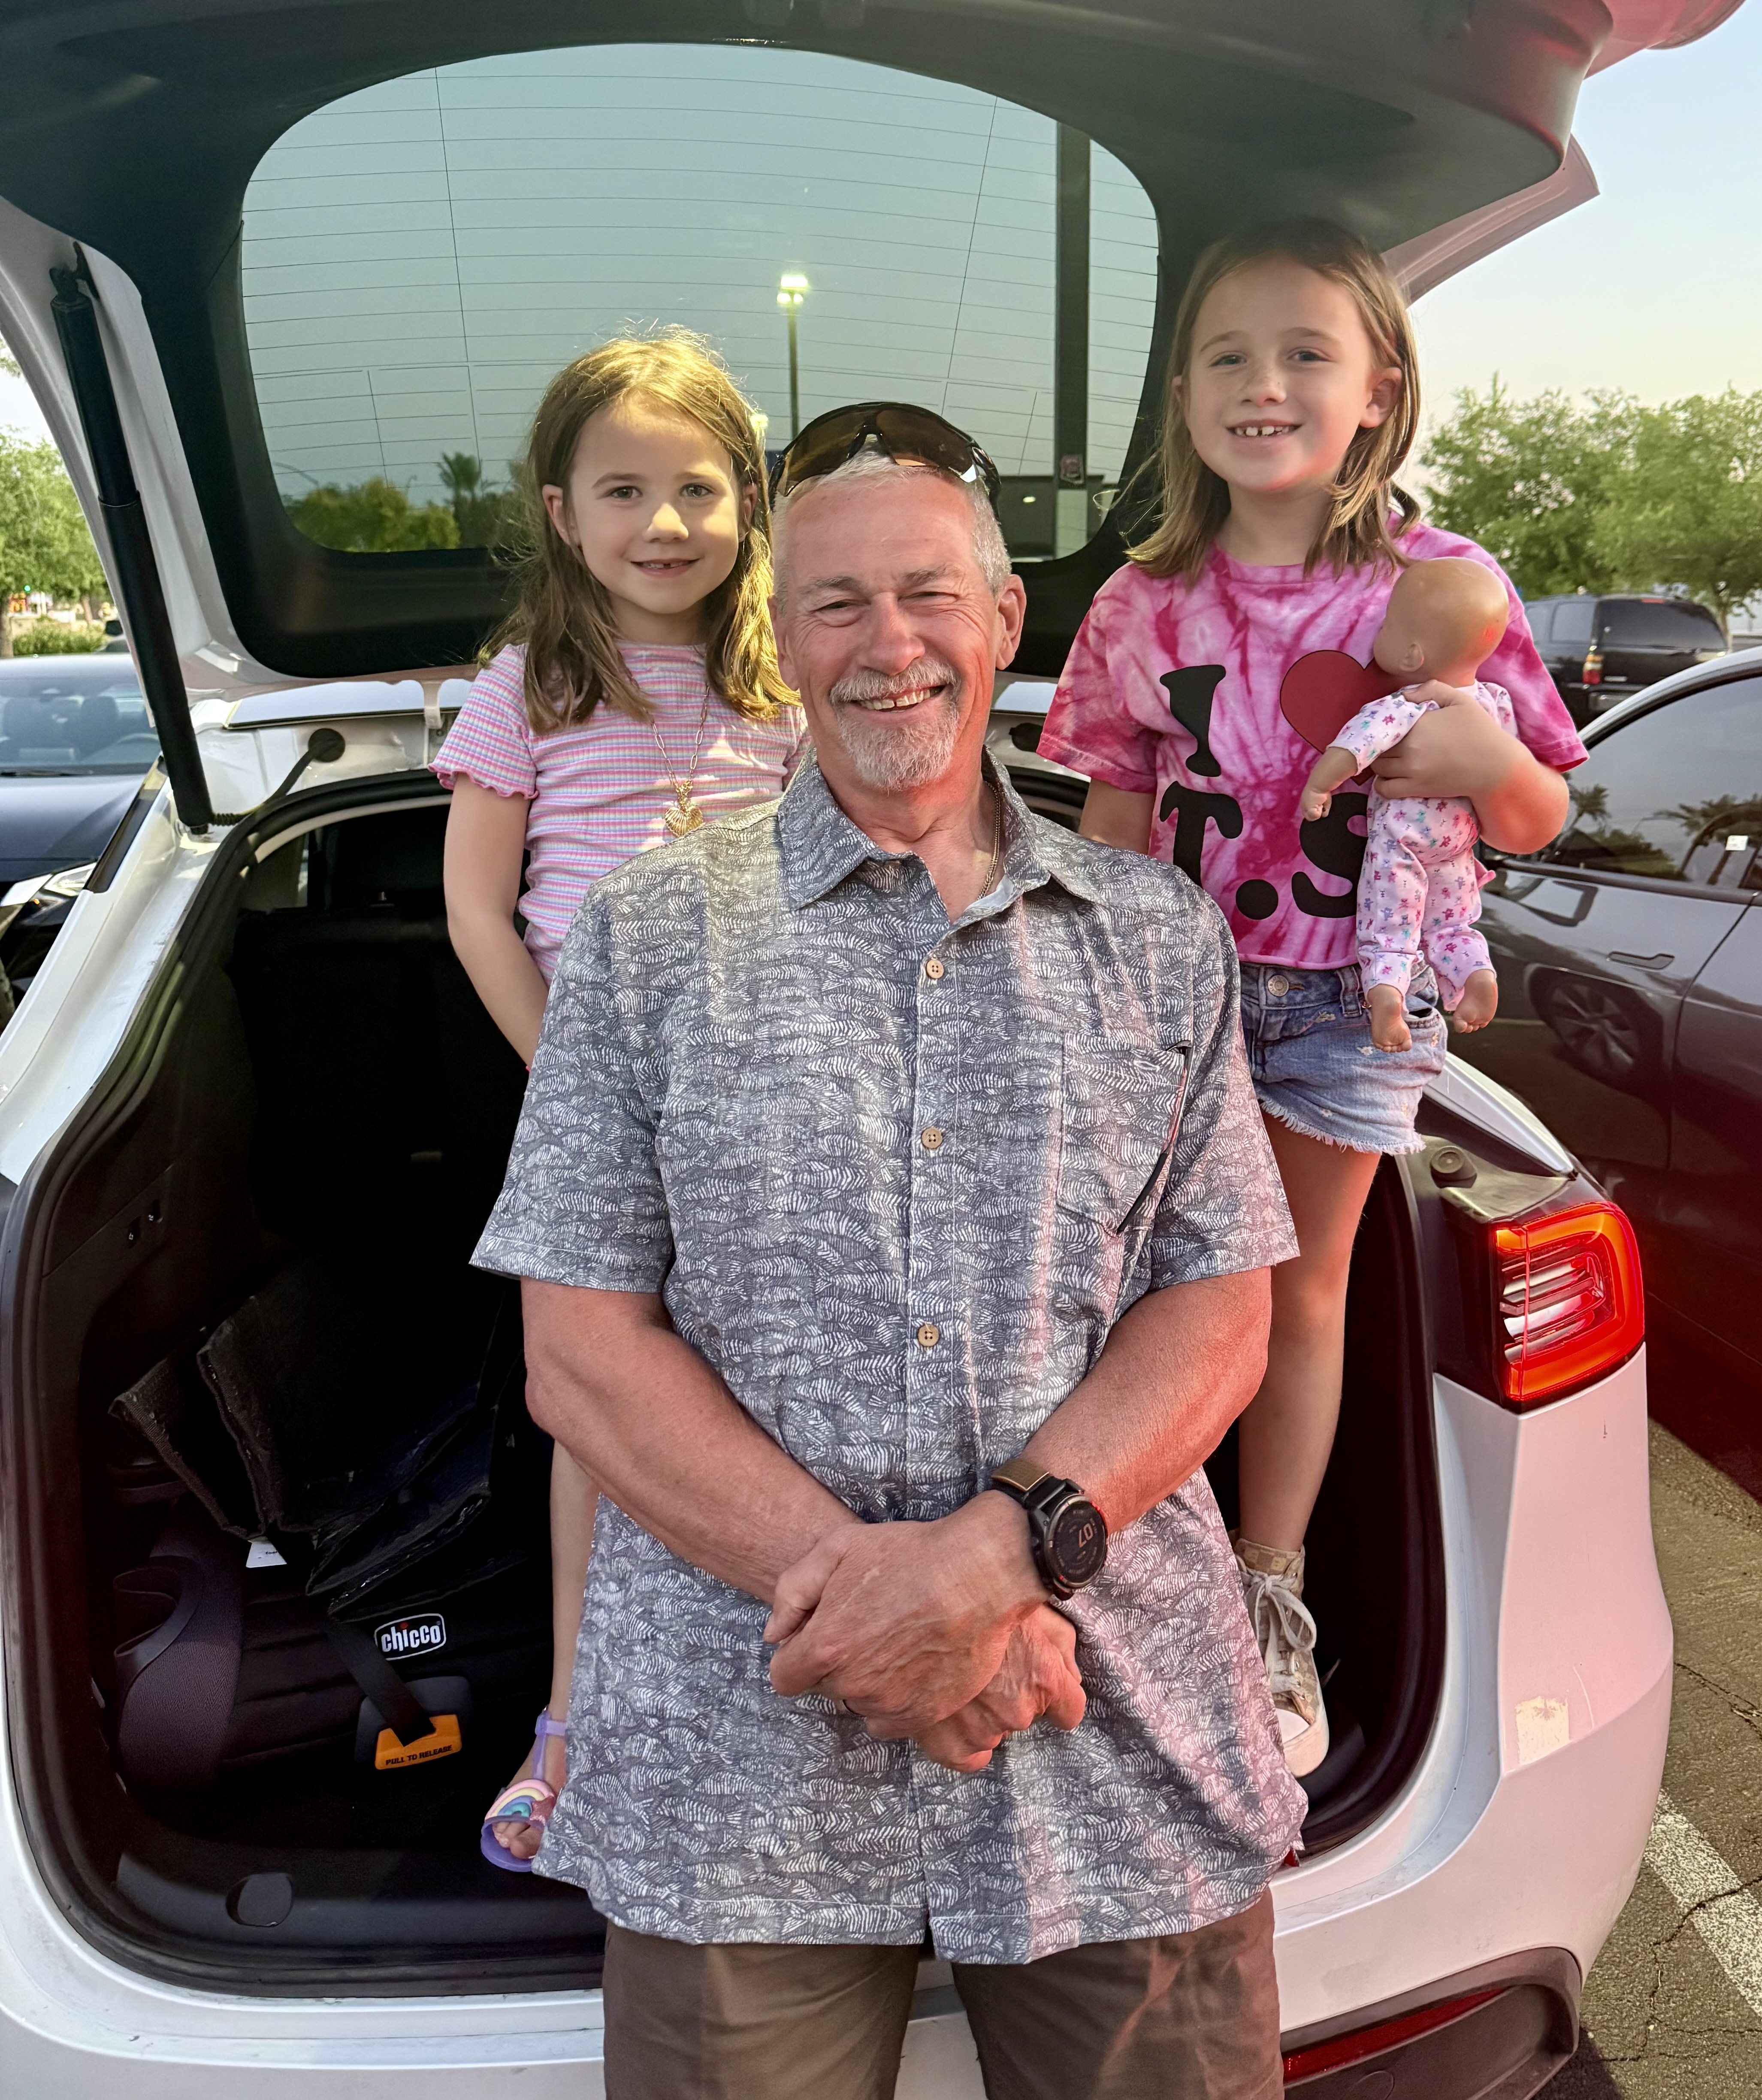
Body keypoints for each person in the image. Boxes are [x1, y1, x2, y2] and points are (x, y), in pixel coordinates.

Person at [473, 401, 1309, 2099]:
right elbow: (580, 1351)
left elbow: (1221, 1310)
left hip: (1109, 1730)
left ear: (1002, 617)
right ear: (780, 643)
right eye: (835, 603)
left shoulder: (1155, 937)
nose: (888, 642)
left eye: (928, 593)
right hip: (735, 1764)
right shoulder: (645, 935)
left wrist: (990, 1564)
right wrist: (900, 1612)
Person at [1037, 220, 1586, 1779]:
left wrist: (1489, 761)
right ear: (1182, 395)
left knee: (1295, 1291)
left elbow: (1539, 810)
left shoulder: (1447, 586)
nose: (1260, 384)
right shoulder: (1143, 601)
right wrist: (1095, 1000)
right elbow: (1115, 820)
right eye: (1226, 355)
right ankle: (1126, 1576)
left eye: (1302, 354)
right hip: (1184, 999)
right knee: (1142, 1291)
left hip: (1356, 1002)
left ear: (1377, 390)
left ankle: (1265, 1589)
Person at [429, 331, 807, 1868]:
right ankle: (575, 1714)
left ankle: (760, 1697)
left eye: (698, 487)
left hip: (757, 1099)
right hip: (590, 1102)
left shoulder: (782, 688)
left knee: (758, 1396)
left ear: (749, 503)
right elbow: (476, 909)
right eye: (625, 489)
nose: (665, 520)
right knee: (599, 1407)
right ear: (560, 511)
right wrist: (570, 1078)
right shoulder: (526, 685)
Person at [1297, 556, 1516, 1052]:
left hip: (1404, 841)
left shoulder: (1409, 703)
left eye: (1388, 625)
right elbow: (1507, 762)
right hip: (1459, 842)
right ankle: (1476, 973)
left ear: (1413, 653)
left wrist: (1319, 787)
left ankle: (1387, 1001)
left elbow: (1355, 746)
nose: (1380, 630)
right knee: (1452, 922)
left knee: (1390, 926)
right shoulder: (1494, 702)